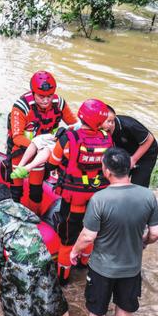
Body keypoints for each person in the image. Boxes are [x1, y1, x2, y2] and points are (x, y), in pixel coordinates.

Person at [69, 147, 158, 316]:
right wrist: (144, 242)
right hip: (132, 267)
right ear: (129, 168)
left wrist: (74, 251)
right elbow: (156, 232)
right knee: (125, 305)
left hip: (102, 268)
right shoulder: (147, 195)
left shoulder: (100, 199)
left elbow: (88, 236)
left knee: (97, 311)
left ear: (107, 171)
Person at [0, 183, 75, 316]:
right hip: (43, 256)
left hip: (21, 263)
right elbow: (35, 219)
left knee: (14, 297)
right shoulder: (20, 208)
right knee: (53, 295)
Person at [45, 98, 113, 285]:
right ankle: (84, 264)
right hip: (97, 195)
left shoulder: (69, 137)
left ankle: (64, 278)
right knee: (90, 228)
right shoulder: (107, 138)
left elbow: (53, 161)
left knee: (68, 236)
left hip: (74, 197)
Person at [6, 70, 78, 213]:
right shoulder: (21, 107)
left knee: (36, 191)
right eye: (41, 96)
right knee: (16, 190)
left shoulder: (59, 103)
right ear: (33, 93)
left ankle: (34, 217)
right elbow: (17, 137)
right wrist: (37, 144)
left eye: (49, 96)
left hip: (42, 153)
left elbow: (74, 125)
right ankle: (14, 215)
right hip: (20, 152)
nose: (46, 100)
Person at [103, 105, 158, 187]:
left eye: (112, 121)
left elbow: (149, 139)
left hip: (146, 152)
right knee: (117, 180)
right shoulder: (100, 128)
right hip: (125, 151)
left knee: (139, 183)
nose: (110, 125)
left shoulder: (129, 125)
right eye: (107, 121)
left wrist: (133, 159)